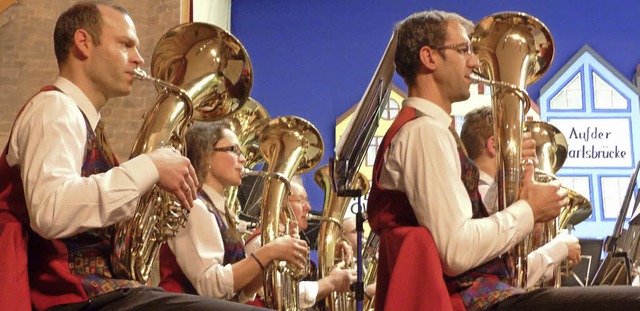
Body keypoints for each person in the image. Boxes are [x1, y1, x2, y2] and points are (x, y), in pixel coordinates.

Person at [0, 1, 267, 310]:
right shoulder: (54, 109)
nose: (139, 58)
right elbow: (50, 210)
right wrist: (150, 166)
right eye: (125, 44)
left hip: (101, 292)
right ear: (83, 43)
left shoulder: (83, 122)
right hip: (69, 297)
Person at [367, 9, 640, 311]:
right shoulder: (423, 134)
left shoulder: (429, 131)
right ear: (430, 58)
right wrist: (528, 209)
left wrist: (513, 195)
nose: (474, 61)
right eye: (463, 50)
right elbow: (456, 251)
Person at [158, 120, 309, 302]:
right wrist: (269, 251)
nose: (243, 159)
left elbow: (240, 295)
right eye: (234, 150)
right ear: (206, 156)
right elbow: (211, 287)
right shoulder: (196, 206)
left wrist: (277, 256)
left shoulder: (220, 211)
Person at [460, 106, 582, 289]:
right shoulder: (483, 196)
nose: (532, 153)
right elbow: (513, 276)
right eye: (520, 141)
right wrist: (560, 247)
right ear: (494, 146)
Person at [245, 175, 357, 309]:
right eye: (301, 200)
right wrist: (330, 283)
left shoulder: (290, 240)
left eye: (307, 201)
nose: (308, 207)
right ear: (281, 205)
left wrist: (334, 259)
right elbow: (280, 298)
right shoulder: (261, 242)